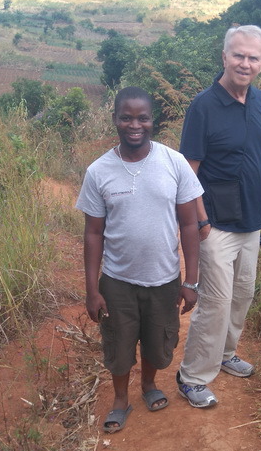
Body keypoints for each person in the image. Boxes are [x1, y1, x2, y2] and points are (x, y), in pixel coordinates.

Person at [76, 86, 203, 432]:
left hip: (163, 279)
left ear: (153, 120)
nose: (135, 125)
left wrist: (190, 281)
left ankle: (148, 385)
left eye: (142, 117)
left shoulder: (173, 163)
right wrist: (92, 290)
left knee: (156, 340)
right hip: (117, 282)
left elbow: (190, 224)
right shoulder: (98, 171)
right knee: (118, 343)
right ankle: (120, 399)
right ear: (115, 120)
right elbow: (92, 234)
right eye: (126, 117)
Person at [176, 25, 261, 408]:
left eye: (253, 57)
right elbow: (188, 171)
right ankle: (193, 377)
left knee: (243, 294)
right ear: (224, 57)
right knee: (216, 302)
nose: (245, 63)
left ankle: (226, 352)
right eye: (238, 55)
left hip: (252, 221)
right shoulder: (203, 106)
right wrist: (199, 222)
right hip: (215, 223)